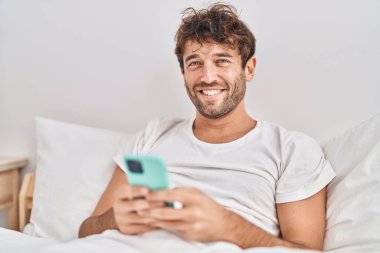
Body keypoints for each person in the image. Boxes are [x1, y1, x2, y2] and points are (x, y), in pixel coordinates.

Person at [78, 3, 335, 251]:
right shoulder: (153, 135)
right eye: (195, 63)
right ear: (183, 73)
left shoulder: (291, 149)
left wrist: (229, 227)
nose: (207, 77)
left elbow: (307, 251)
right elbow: (86, 231)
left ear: (249, 69)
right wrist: (114, 220)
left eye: (222, 61)